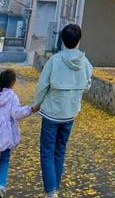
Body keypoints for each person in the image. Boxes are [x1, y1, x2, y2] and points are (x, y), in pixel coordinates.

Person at [32, 23, 93, 198]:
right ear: (79, 40)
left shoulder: (55, 60)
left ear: (62, 40)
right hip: (70, 113)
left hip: (52, 112)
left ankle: (51, 191)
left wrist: (37, 103)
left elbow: (43, 85)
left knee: (47, 151)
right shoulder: (85, 63)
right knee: (60, 150)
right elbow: (87, 85)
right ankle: (54, 187)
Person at [0, 68, 36, 198]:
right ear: (12, 83)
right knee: (4, 160)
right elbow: (16, 113)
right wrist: (30, 109)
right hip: (6, 136)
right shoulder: (12, 96)